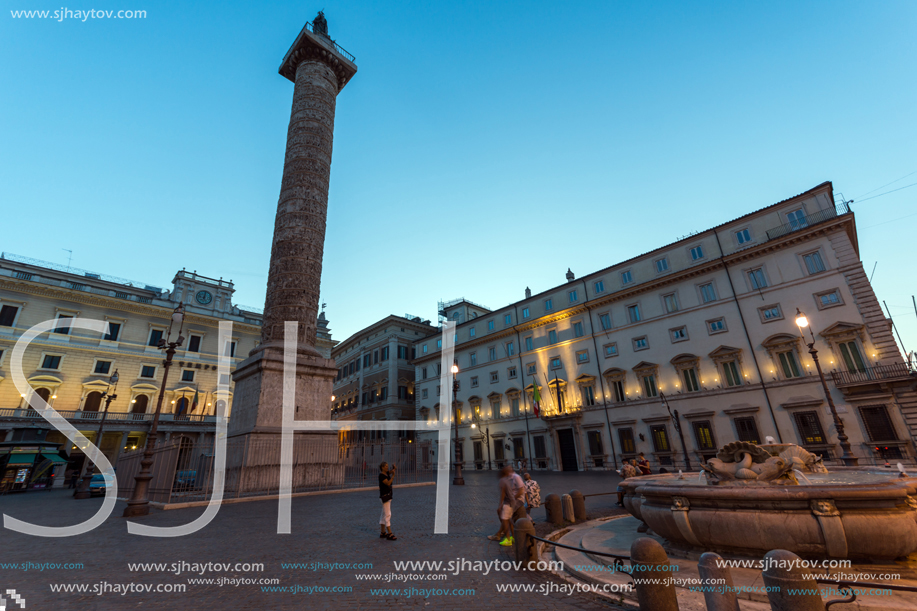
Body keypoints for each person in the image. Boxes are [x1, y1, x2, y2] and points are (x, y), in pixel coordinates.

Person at [496, 466, 520, 547]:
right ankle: (513, 537)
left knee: (505, 520)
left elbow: (503, 493)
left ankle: (508, 539)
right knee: (509, 520)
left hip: (508, 502)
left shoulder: (502, 480)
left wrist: (500, 504)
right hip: (512, 501)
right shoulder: (507, 480)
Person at [378, 462, 397, 541]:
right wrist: (393, 477)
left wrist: (394, 469)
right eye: (386, 466)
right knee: (388, 514)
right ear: (382, 467)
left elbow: (391, 471)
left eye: (387, 466)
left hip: (387, 496)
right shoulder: (382, 476)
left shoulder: (386, 474)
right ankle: (389, 533)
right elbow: (388, 483)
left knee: (383, 514)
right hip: (385, 497)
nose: (387, 468)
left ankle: (383, 532)